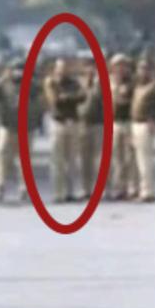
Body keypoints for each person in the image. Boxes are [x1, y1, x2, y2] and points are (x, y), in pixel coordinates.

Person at [0, 58, 40, 203]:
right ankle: (0, 185)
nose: (19, 73)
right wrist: (3, 78)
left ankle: (24, 188)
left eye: (21, 70)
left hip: (26, 128)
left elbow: (38, 91)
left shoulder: (31, 84)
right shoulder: (4, 84)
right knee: (2, 155)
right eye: (16, 70)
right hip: (7, 126)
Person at [43, 58, 86, 203]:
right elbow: (54, 100)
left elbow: (82, 96)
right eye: (60, 68)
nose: (63, 71)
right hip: (58, 122)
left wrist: (67, 97)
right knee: (57, 160)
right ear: (55, 69)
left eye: (65, 68)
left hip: (72, 122)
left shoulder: (74, 83)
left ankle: (71, 191)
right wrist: (68, 98)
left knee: (72, 160)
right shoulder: (51, 82)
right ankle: (58, 192)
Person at [130, 58, 155, 202]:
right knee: (137, 160)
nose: (142, 71)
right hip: (135, 124)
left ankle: (148, 191)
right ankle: (140, 188)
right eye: (140, 68)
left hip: (145, 125)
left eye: (145, 69)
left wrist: (154, 119)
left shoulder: (154, 87)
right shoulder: (137, 86)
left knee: (145, 160)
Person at [107, 53, 135, 200]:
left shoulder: (132, 82)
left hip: (128, 121)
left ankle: (131, 187)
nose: (120, 68)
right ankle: (118, 187)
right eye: (117, 65)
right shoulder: (107, 81)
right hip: (113, 123)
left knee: (129, 156)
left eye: (123, 65)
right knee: (116, 157)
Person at [77, 57, 103, 200]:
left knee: (100, 159)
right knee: (84, 158)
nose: (90, 70)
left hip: (99, 123)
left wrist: (95, 84)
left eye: (92, 67)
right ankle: (85, 188)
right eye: (87, 67)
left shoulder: (101, 82)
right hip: (82, 123)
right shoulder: (78, 83)